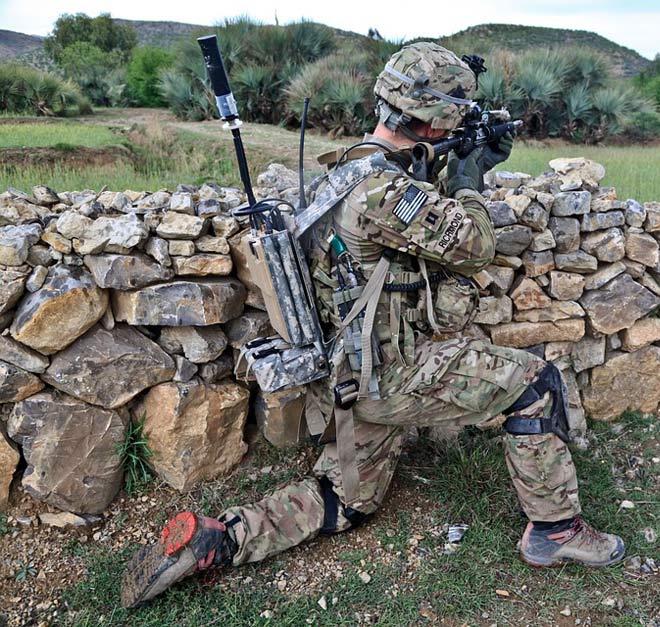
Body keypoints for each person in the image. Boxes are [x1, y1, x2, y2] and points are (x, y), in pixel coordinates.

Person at [121, 41, 625, 609]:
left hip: (349, 376)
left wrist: (453, 156)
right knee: (535, 384)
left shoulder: (349, 170)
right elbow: (474, 245)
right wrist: (469, 178)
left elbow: (395, 222)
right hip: (394, 374)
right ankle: (555, 531)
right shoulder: (385, 193)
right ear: (433, 119)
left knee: (344, 502)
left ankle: (220, 538)